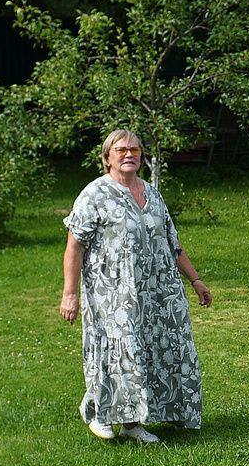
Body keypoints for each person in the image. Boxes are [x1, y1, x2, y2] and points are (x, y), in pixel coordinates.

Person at [60, 129, 213, 442]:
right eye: (121, 150)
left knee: (151, 350)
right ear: (107, 158)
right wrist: (70, 293)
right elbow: (74, 245)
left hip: (158, 291)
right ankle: (102, 414)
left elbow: (172, 243)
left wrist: (195, 279)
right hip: (113, 292)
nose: (129, 155)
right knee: (116, 351)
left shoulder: (152, 193)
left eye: (135, 151)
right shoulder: (94, 194)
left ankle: (132, 423)